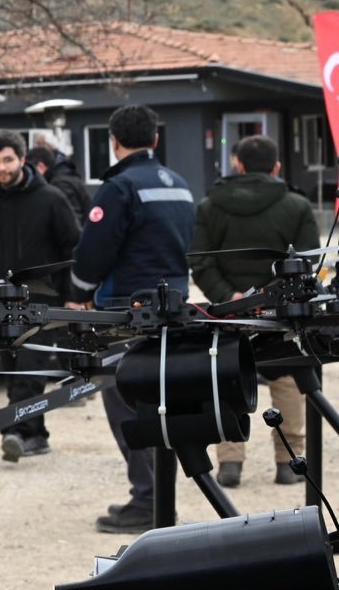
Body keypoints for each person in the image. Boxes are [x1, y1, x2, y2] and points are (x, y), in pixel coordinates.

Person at [69, 104, 195, 532]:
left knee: (122, 395)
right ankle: (161, 495)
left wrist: (79, 295)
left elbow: (92, 255)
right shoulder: (178, 184)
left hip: (126, 309)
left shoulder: (118, 188)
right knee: (162, 398)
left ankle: (147, 499)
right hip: (173, 306)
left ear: (114, 141)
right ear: (155, 140)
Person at [193, 133, 322, 487]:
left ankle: (230, 461)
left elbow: (201, 262)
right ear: (277, 167)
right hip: (279, 311)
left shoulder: (209, 205)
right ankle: (289, 460)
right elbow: (309, 260)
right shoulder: (296, 205)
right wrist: (275, 296)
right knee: (286, 378)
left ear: (238, 164)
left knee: (228, 376)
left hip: (229, 310)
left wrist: (230, 296)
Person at [0, 131, 80, 462]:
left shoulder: (51, 198)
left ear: (23, 159)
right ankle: (36, 435)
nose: (1, 167)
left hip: (43, 303)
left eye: (8, 160)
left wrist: (74, 296)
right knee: (13, 371)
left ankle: (14, 431)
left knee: (29, 370)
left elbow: (73, 247)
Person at [28, 143, 93, 222]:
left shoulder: (60, 184)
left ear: (41, 167)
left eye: (31, 170)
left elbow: (72, 219)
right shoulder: (65, 175)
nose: (30, 175)